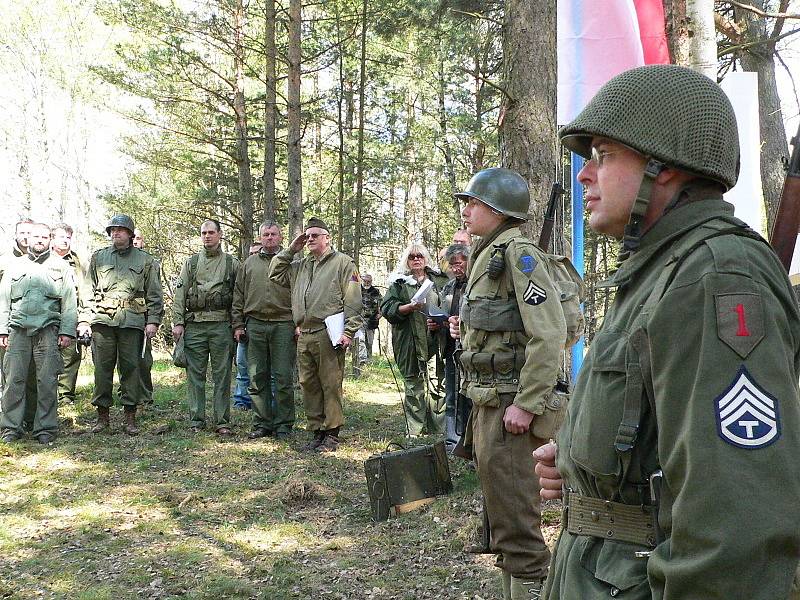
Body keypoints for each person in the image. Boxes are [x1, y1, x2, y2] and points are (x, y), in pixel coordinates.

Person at [533, 65, 800, 600]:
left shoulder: (716, 275)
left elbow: (736, 528)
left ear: (667, 168)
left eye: (604, 155)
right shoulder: (659, 270)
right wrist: (581, 461)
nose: (584, 174)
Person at [448, 167, 567, 599]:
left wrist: (529, 402)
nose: (466, 210)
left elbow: (549, 331)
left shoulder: (519, 254)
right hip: (488, 402)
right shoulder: (488, 253)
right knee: (501, 518)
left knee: (517, 524)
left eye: (473, 203)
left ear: (497, 208)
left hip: (510, 408)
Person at [269, 217, 363, 452]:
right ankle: (317, 431)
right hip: (304, 333)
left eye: (315, 235)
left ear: (327, 238)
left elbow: (353, 300)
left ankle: (332, 433)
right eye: (307, 236)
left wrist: (349, 332)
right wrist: (292, 248)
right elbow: (274, 272)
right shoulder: (301, 265)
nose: (310, 239)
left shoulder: (343, 263)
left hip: (328, 333)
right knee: (308, 384)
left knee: (330, 383)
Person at [78, 215, 163, 435]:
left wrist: (153, 320)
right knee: (102, 370)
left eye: (121, 230)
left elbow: (154, 293)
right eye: (113, 230)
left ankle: (130, 417)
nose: (116, 233)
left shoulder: (145, 260)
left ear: (130, 234)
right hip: (102, 321)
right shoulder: (99, 257)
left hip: (132, 321)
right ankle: (102, 416)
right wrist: (85, 320)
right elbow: (87, 291)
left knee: (131, 369)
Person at [0, 223, 77, 443]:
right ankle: (10, 428)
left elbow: (69, 303)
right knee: (14, 380)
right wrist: (1, 330)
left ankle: (45, 429)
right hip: (17, 331)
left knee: (47, 381)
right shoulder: (14, 266)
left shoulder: (60, 266)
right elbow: (3, 300)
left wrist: (67, 331)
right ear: (28, 239)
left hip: (48, 331)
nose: (40, 240)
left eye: (44, 236)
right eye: (36, 236)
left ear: (50, 240)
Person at [172, 219, 240, 436]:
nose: (207, 236)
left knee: (222, 374)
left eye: (211, 232)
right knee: (195, 375)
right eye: (203, 233)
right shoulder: (191, 263)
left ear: (220, 234)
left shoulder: (232, 264)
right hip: (195, 326)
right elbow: (180, 294)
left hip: (222, 325)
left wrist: (238, 324)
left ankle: (222, 421)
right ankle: (196, 420)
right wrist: (178, 323)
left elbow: (239, 297)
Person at [232, 223, 295, 439]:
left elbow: (300, 294)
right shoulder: (248, 264)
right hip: (255, 324)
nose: (269, 238)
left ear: (280, 237)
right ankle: (262, 423)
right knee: (256, 376)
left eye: (273, 234)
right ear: (260, 238)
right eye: (265, 235)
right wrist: (238, 324)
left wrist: (298, 324)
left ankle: (284, 424)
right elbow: (238, 296)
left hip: (283, 324)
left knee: (283, 376)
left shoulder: (292, 264)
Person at [381, 244, 449, 437]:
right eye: (412, 257)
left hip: (436, 340)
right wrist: (408, 308)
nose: (416, 259)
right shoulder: (399, 283)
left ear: (426, 258)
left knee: (439, 385)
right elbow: (386, 308)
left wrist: (440, 322)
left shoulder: (439, 280)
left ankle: (438, 430)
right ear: (407, 261)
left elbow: (451, 304)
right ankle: (415, 430)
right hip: (408, 342)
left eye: (420, 256)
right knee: (413, 386)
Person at [51, 223, 88, 405]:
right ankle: (47, 395)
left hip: (72, 313)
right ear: (52, 239)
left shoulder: (79, 261)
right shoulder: (43, 259)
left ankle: (65, 396)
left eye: (68, 237)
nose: (65, 240)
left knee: (70, 355)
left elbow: (86, 289)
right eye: (60, 237)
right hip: (48, 315)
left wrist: (84, 318)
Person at [439, 243, 469, 452]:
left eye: (458, 264)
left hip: (470, 349)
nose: (455, 269)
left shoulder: (476, 284)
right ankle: (451, 440)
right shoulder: (449, 286)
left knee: (468, 396)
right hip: (450, 347)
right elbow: (441, 311)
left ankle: (468, 441)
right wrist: (437, 321)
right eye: (452, 265)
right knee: (451, 393)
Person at [129, 228, 159, 405]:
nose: (135, 241)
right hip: (121, 320)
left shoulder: (150, 263)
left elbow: (155, 294)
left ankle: (145, 396)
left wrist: (152, 321)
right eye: (132, 237)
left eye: (138, 238)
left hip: (142, 319)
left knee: (143, 360)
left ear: (143, 241)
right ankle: (127, 393)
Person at [232, 242, 262, 411]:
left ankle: (266, 403)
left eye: (256, 252)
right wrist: (238, 325)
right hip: (245, 325)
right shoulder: (244, 271)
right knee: (242, 365)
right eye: (250, 253)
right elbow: (237, 300)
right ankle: (241, 401)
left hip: (263, 326)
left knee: (265, 370)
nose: (253, 255)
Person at [351, 273, 381, 377]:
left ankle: (368, 359)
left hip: (371, 320)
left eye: (369, 281)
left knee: (370, 341)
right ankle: (362, 360)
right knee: (361, 339)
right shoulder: (357, 290)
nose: (367, 283)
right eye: (365, 281)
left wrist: (380, 314)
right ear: (362, 281)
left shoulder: (375, 291)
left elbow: (380, 304)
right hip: (360, 319)